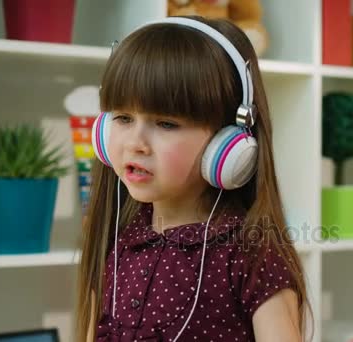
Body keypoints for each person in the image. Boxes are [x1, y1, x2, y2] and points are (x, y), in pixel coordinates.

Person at [75, 15, 312, 342]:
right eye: (124, 118)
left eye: (166, 124)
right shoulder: (119, 241)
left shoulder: (252, 257)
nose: (135, 143)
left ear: (227, 143)